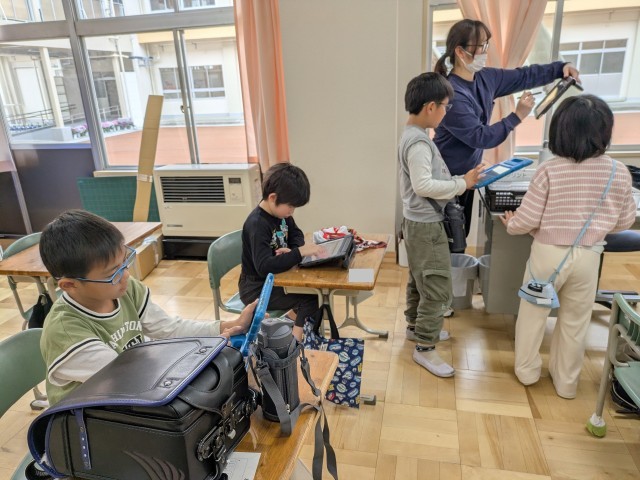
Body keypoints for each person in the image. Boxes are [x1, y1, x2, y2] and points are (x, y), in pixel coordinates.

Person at [39, 209, 256, 406]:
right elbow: (129, 377)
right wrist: (205, 350)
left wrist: (227, 326)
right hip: (86, 420)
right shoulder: (65, 331)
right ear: (70, 285)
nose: (126, 275)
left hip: (129, 397)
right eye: (113, 274)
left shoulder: (124, 290)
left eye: (125, 263)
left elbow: (168, 328)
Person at [500, 94, 636, 399]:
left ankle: (527, 372)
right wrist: (595, 228)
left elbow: (528, 219)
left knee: (533, 315)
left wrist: (512, 223)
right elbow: (624, 221)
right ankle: (566, 383)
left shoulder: (550, 170)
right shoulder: (618, 172)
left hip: (547, 255)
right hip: (589, 256)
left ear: (560, 130)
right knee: (575, 322)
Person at [433, 19, 581, 238]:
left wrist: (560, 69)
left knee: (459, 236)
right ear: (460, 52)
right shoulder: (452, 94)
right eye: (480, 46)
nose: (485, 52)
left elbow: (523, 76)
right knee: (447, 239)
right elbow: (481, 137)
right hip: (445, 180)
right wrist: (517, 115)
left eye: (486, 45)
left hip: (467, 177)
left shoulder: (486, 78)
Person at [398, 72, 484, 377]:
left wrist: (461, 180)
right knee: (436, 286)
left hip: (416, 222)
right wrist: (462, 184)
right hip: (426, 225)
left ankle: (416, 328)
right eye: (445, 106)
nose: (446, 112)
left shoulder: (413, 135)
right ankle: (425, 346)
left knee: (419, 279)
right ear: (430, 107)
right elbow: (423, 185)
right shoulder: (418, 143)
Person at [239, 163, 324, 341]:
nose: (292, 211)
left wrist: (292, 250)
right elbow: (263, 266)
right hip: (256, 288)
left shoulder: (281, 215)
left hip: (276, 279)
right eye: (290, 206)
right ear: (273, 197)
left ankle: (290, 327)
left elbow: (296, 234)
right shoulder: (257, 224)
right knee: (311, 297)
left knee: (317, 292)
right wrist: (298, 253)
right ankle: (293, 341)